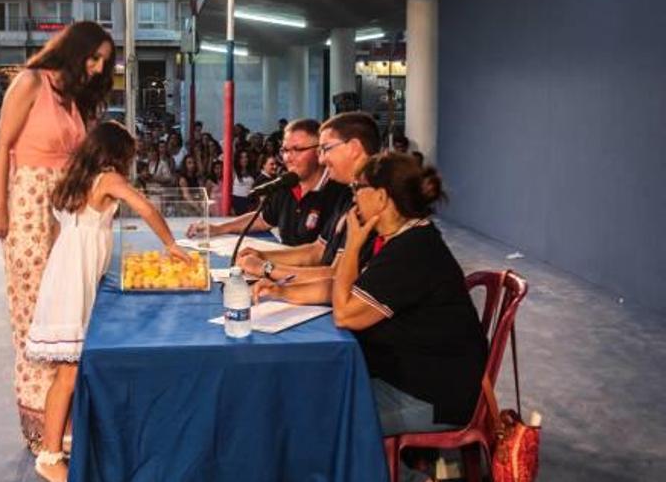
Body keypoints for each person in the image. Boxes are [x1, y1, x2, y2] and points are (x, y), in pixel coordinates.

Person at [255, 153, 486, 482]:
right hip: (403, 376)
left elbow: (346, 314)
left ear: (381, 197)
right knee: (308, 399)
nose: (352, 197)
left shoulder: (413, 252)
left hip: (431, 395)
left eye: (357, 188)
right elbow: (344, 287)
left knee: (315, 421)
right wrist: (281, 292)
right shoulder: (402, 239)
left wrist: (352, 244)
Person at [27, 122, 190, 482]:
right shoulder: (109, 179)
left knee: (70, 370)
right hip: (74, 277)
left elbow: (59, 231)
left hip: (66, 271)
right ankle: (49, 455)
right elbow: (146, 208)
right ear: (116, 154)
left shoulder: (72, 178)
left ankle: (62, 440)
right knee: (67, 373)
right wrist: (170, 244)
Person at [0, 21, 115, 454]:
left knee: (66, 312)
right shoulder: (29, 82)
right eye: (93, 57)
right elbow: (2, 144)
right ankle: (41, 427)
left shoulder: (74, 100)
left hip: (69, 211)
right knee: (32, 314)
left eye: (104, 61)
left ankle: (64, 415)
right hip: (28, 206)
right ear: (75, 49)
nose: (98, 68)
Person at [236, 112, 380, 284]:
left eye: (326, 149)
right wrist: (263, 258)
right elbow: (319, 250)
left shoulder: (372, 201)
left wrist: (266, 268)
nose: (322, 158)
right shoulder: (352, 194)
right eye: (285, 150)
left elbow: (338, 277)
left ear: (354, 148)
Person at [186, 119, 352, 250]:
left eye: (297, 149)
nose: (288, 158)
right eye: (285, 150)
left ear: (319, 152)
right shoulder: (286, 184)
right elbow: (263, 219)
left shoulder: (339, 193)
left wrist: (268, 262)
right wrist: (218, 228)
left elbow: (319, 254)